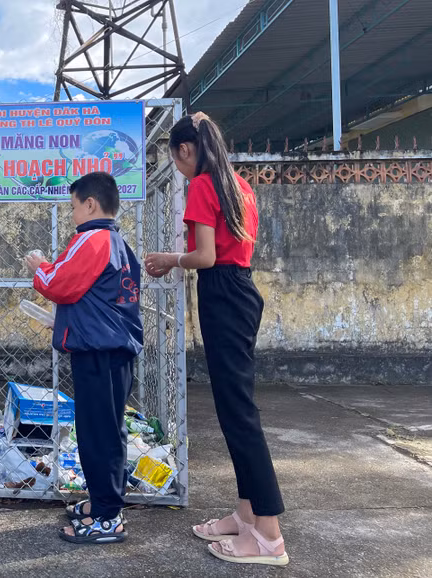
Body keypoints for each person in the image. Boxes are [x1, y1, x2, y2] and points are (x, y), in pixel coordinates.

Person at [144, 112, 289, 567]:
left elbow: (205, 256)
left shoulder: (205, 184)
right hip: (239, 289)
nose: (180, 170)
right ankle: (246, 515)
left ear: (185, 151)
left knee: (240, 415)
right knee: (233, 409)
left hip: (224, 293)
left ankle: (267, 535)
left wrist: (170, 258)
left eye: (177, 161)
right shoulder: (237, 185)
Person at [25, 171, 143, 545]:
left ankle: (108, 517)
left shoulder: (91, 239)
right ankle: (102, 502)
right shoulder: (119, 243)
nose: (72, 213)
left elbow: (58, 283)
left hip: (98, 352)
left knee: (99, 433)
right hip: (113, 349)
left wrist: (39, 266)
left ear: (90, 204)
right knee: (107, 430)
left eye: (73, 206)